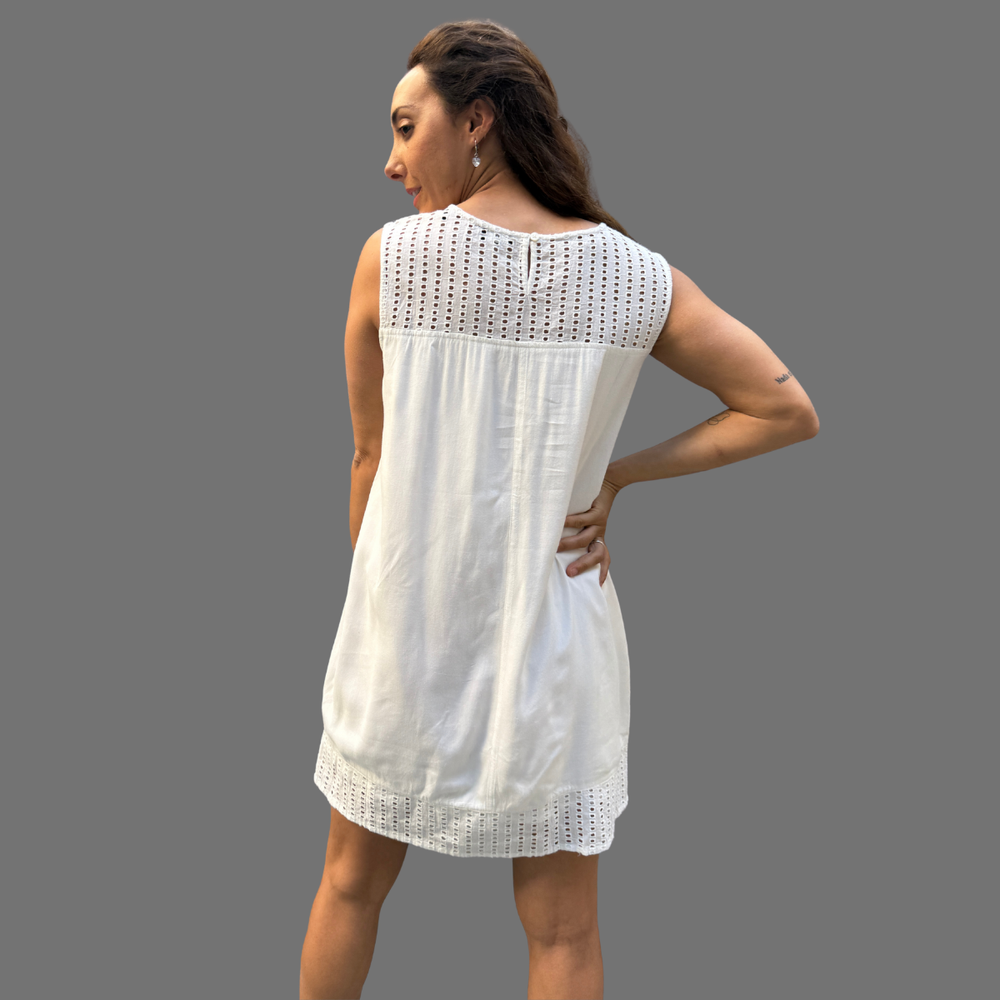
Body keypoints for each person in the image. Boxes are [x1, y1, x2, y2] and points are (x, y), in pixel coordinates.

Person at [300, 19, 819, 1000]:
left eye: (406, 128)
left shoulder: (393, 259)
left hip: (403, 627)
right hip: (557, 638)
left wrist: (375, 610)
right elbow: (784, 408)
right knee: (565, 930)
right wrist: (618, 475)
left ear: (477, 121)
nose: (390, 160)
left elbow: (369, 457)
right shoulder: (638, 276)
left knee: (350, 884)